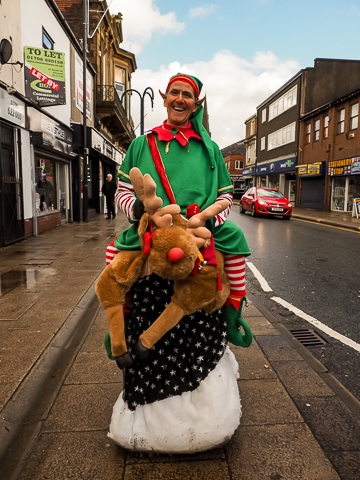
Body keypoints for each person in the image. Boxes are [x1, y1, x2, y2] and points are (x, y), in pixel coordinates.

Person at [104, 73, 251, 453]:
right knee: (114, 257)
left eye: (188, 94)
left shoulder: (211, 149)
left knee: (234, 243)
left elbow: (225, 198)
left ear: (195, 103)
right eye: (175, 93)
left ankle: (234, 312)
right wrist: (143, 211)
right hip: (155, 228)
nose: (180, 99)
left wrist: (205, 223)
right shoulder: (141, 144)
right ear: (165, 98)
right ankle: (116, 323)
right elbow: (123, 191)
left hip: (197, 232)